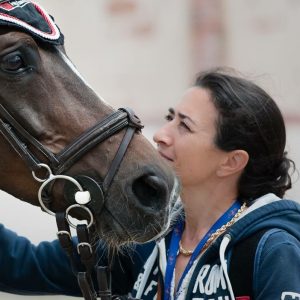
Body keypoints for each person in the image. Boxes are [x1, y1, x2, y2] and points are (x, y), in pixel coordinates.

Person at [1, 68, 300, 300]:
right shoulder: (145, 237)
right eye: (170, 118)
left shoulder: (272, 251)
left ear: (231, 162)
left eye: (184, 126)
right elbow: (21, 265)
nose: (160, 135)